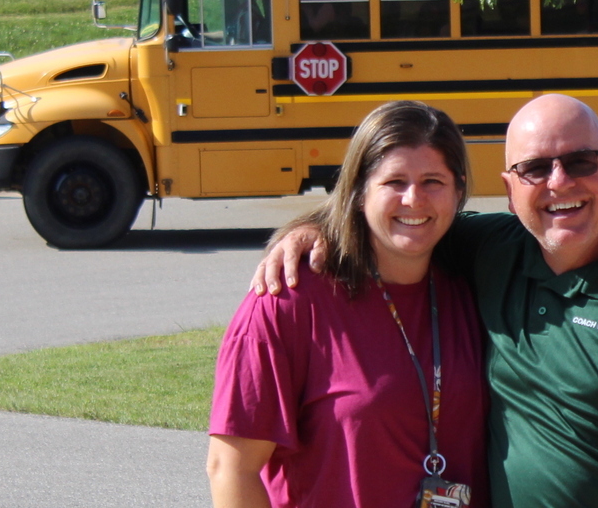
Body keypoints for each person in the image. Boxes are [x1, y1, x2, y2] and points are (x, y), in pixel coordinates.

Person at [255, 94, 598, 508]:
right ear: (510, 190)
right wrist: (314, 229)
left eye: (581, 162)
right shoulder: (492, 251)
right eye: (535, 169)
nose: (559, 183)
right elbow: (401, 211)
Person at [209, 101, 490, 508]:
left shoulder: (474, 284)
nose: (414, 199)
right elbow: (231, 469)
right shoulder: (288, 300)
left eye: (433, 181)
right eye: (394, 181)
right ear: (358, 191)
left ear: (458, 190)